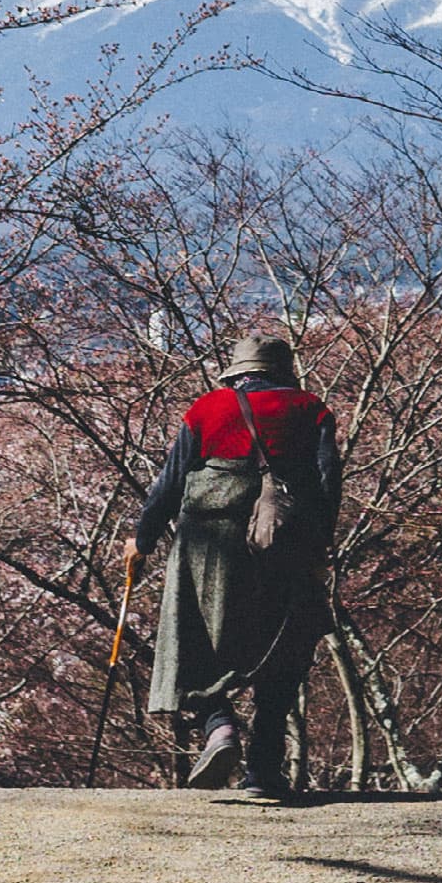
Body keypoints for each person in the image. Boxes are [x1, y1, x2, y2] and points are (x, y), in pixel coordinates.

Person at [126, 334, 341, 802]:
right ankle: (264, 770)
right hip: (283, 538)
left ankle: (218, 726)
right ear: (283, 371)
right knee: (283, 645)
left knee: (197, 637)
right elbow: (327, 481)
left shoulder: (207, 409)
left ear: (238, 371)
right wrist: (319, 544)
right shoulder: (312, 409)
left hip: (209, 539)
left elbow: (171, 479)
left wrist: (141, 540)